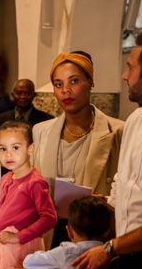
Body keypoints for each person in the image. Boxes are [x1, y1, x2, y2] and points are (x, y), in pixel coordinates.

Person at [72, 32, 142, 269]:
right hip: (124, 252)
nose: (124, 76)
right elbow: (122, 182)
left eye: (130, 67)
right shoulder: (136, 119)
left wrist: (109, 249)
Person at [33, 51, 124, 247]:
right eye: (58, 84)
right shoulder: (41, 131)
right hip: (51, 232)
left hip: (95, 235)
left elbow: (125, 190)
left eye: (74, 81)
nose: (66, 90)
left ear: (91, 82)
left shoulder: (118, 131)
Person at [0, 120, 57, 269]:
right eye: (2, 149)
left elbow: (50, 218)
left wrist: (18, 236)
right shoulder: (6, 178)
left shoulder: (35, 182)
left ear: (30, 149)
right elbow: (5, 207)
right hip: (4, 244)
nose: (8, 154)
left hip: (22, 245)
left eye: (16, 148)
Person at [2, 196, 112, 269]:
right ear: (108, 232)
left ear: (69, 232)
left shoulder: (68, 252)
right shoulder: (111, 254)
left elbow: (29, 262)